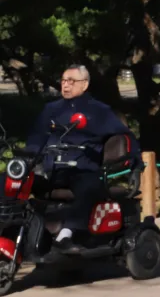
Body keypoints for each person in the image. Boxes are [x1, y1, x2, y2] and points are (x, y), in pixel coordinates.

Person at [26, 65, 139, 250]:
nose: (65, 85)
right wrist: (28, 158)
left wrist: (136, 166)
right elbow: (36, 138)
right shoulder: (50, 109)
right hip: (51, 170)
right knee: (9, 181)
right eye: (63, 80)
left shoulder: (99, 111)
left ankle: (67, 233)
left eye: (71, 81)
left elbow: (127, 136)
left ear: (84, 84)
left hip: (82, 170)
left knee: (90, 188)